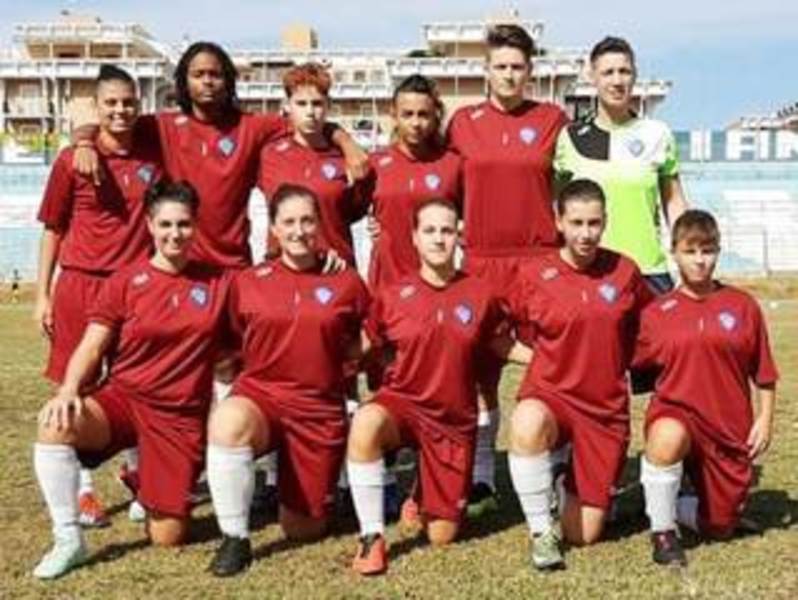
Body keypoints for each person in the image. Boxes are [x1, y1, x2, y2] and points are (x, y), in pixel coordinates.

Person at [32, 180, 231, 580]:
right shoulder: (125, 280)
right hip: (124, 400)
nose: (175, 234)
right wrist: (69, 389)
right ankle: (69, 539)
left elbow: (265, 303)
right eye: (166, 224)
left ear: (196, 226)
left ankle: (145, 481)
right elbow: (91, 346)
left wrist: (324, 261)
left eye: (184, 224)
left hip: (178, 417)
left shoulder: (220, 282)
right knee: (55, 424)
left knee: (167, 536)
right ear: (150, 226)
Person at [347, 198, 531, 576]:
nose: (438, 239)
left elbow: (501, 343)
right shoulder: (393, 293)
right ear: (414, 238)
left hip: (452, 420)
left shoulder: (481, 294)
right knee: (365, 422)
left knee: (441, 535)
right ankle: (371, 537)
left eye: (447, 230)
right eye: (429, 230)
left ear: (458, 237)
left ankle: (421, 492)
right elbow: (366, 344)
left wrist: (548, 360)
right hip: (403, 404)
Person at [74, 42, 367, 269]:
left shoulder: (252, 127)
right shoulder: (164, 126)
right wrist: (84, 143)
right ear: (184, 80)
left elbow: (307, 119)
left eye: (215, 74)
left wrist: (347, 143)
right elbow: (106, 124)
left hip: (235, 263)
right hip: (183, 261)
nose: (207, 81)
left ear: (227, 80)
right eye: (198, 74)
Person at [205, 184, 369, 577]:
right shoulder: (248, 281)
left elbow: (373, 330)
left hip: (317, 408)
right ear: (274, 229)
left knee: (303, 529)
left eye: (307, 221)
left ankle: (318, 466)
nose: (299, 231)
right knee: (228, 422)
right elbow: (226, 343)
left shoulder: (346, 281)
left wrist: (348, 359)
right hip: (262, 397)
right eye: (289, 222)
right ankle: (235, 537)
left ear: (320, 225)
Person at [34, 64, 164, 527]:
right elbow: (53, 229)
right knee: (78, 384)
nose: (120, 110)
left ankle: (139, 476)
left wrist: (85, 135)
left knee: (137, 384)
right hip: (81, 285)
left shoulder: (154, 151)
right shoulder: (72, 160)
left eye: (128, 102)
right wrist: (42, 295)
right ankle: (84, 492)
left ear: (139, 104)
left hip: (135, 289)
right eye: (111, 102)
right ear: (97, 106)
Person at [446, 24, 568, 512]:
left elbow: (577, 187)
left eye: (518, 66)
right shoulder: (463, 123)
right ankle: (482, 478)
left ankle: (557, 466)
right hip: (481, 261)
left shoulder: (552, 120)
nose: (509, 75)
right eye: (501, 66)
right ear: (486, 70)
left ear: (530, 71)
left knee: (552, 364)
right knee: (481, 369)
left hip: (540, 261)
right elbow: (442, 186)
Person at [506, 179, 652, 571]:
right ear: (558, 221)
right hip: (552, 396)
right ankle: (541, 532)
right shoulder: (533, 274)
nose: (585, 234)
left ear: (605, 222)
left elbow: (651, 329)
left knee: (583, 535)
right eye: (576, 223)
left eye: (594, 223)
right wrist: (537, 359)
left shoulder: (624, 271)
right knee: (526, 421)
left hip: (604, 410)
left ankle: (566, 483)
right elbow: (497, 332)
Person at [635, 209, 778, 566]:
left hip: (727, 426)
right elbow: (630, 369)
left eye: (708, 250)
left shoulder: (742, 306)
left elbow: (764, 371)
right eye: (690, 251)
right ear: (674, 252)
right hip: (677, 415)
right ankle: (663, 530)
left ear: (718, 251)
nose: (700, 260)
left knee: (720, 526)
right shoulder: (656, 313)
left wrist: (765, 419)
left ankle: (670, 499)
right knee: (667, 435)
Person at [554, 36, 688, 295]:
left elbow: (674, 202)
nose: (617, 81)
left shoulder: (657, 134)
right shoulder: (569, 138)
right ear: (592, 77)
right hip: (590, 273)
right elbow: (556, 204)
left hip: (647, 272)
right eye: (608, 72)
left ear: (634, 76)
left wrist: (686, 258)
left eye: (624, 71)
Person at [259, 62, 367, 267]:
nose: (310, 112)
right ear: (288, 105)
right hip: (283, 269)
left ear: (328, 105)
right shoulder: (268, 154)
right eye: (301, 103)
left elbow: (360, 211)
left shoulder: (348, 158)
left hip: (335, 267)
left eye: (317, 103)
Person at [364, 74, 462, 290]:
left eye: (423, 114)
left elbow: (469, 219)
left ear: (436, 115)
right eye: (407, 114)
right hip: (387, 284)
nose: (416, 123)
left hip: (438, 284)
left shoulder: (453, 164)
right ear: (394, 115)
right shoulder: (375, 164)